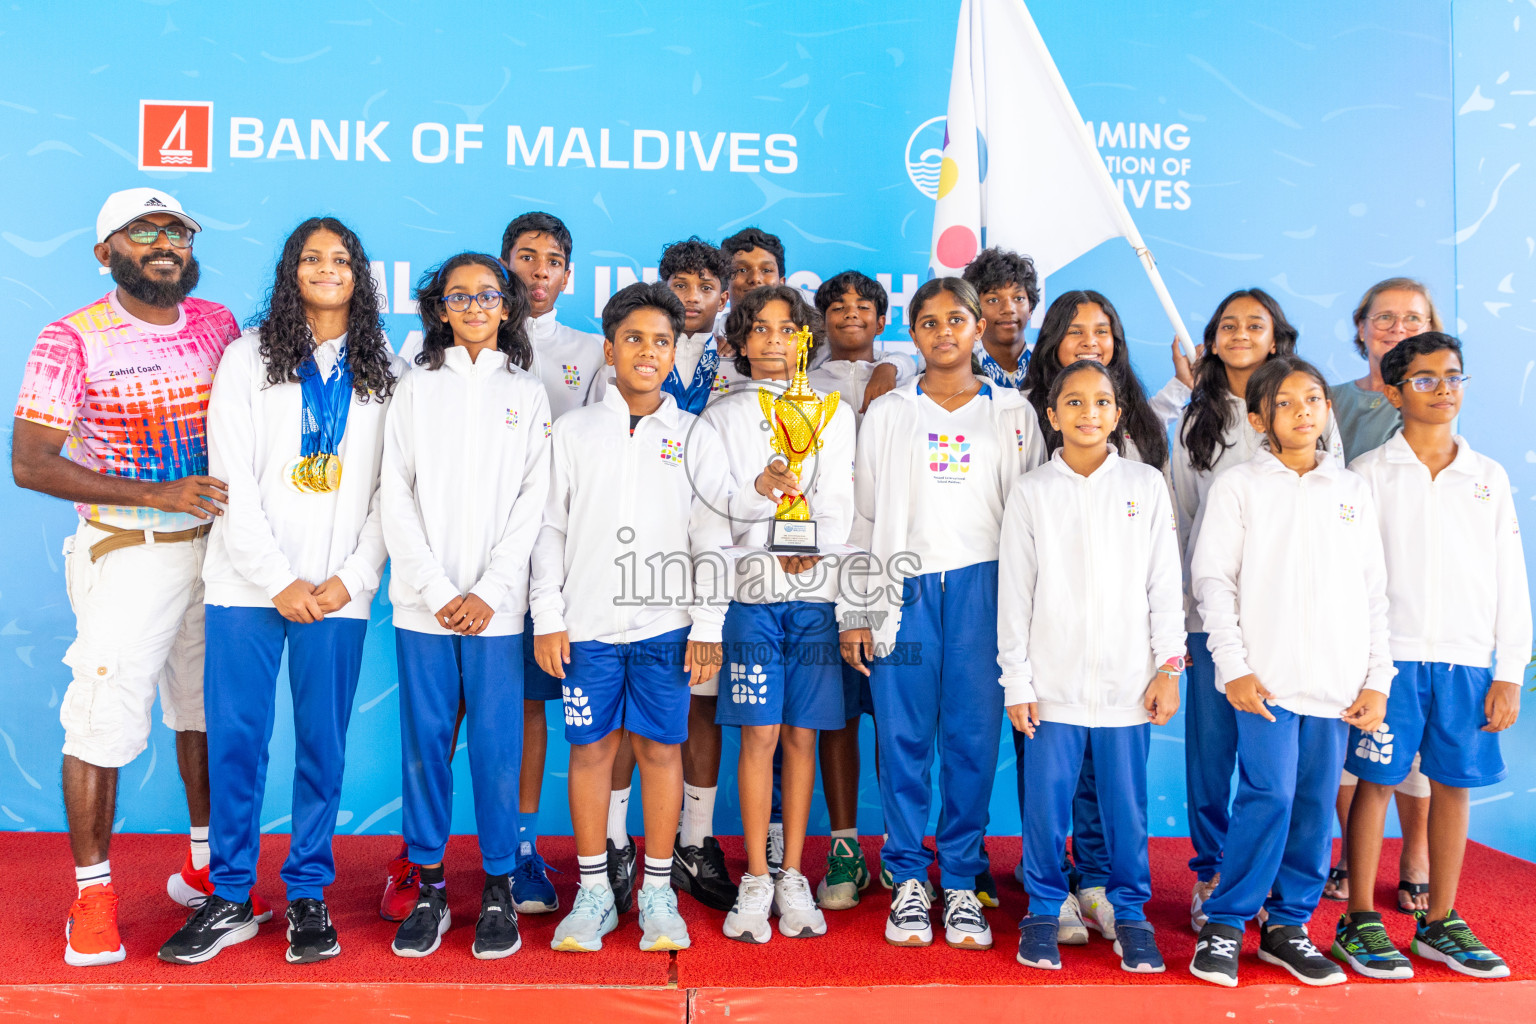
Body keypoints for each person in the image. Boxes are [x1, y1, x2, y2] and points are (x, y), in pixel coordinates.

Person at [158, 217, 402, 966]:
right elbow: (229, 482)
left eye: (341, 258)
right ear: (290, 271)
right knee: (237, 745)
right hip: (246, 587)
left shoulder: (384, 367)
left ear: (359, 274)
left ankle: (306, 894)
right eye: (311, 258)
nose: (326, 269)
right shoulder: (246, 358)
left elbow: (392, 490)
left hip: (338, 594)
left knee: (322, 748)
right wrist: (279, 581)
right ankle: (231, 894)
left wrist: (351, 578)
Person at [12, 188, 240, 966]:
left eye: (176, 231)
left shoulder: (216, 324)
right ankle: (94, 893)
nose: (164, 243)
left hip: (219, 551)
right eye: (143, 232)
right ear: (106, 251)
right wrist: (158, 494)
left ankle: (206, 866)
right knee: (103, 716)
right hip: (128, 550)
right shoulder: (69, 338)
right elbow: (31, 463)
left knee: (205, 711)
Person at [839, 278, 1045, 950]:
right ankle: (906, 880)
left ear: (978, 326)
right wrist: (856, 609)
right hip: (905, 592)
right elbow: (864, 514)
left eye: (957, 319)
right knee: (900, 739)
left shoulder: (1014, 413)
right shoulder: (892, 412)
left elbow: (1038, 520)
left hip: (987, 592)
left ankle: (958, 881)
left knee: (971, 743)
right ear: (915, 332)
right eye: (929, 322)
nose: (944, 332)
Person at [532, 282, 732, 953]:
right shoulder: (573, 431)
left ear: (675, 353)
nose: (648, 352)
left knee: (658, 750)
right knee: (590, 751)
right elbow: (550, 528)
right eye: (635, 338)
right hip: (585, 626)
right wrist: (548, 615)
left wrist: (707, 626)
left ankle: (655, 893)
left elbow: (712, 536)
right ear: (610, 347)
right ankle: (593, 892)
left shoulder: (693, 435)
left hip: (665, 628)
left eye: (662, 342)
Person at [1188, 355, 1393, 989]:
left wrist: (1376, 679)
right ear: (1259, 419)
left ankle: (1288, 927)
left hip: (1335, 687)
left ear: (1327, 410)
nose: (1302, 410)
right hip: (1266, 683)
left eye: (1312, 398)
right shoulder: (1240, 487)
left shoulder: (1352, 491)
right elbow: (1212, 583)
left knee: (1312, 803)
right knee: (1267, 794)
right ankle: (1225, 923)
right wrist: (1235, 668)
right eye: (1284, 403)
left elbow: (1374, 592)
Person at [1333, 332, 1528, 981]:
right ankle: (1359, 917)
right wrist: (1365, 667)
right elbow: (1356, 580)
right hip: (1395, 662)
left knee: (1453, 786)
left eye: (1453, 376)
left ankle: (1439, 921)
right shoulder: (1368, 476)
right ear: (1394, 391)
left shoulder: (1488, 478)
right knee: (1377, 782)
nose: (1444, 389)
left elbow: (1511, 579)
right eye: (1425, 379)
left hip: (1469, 663)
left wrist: (1508, 672)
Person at [380, 254, 552, 959]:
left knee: (495, 749)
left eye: (489, 295)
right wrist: (439, 590)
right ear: (441, 309)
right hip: (424, 609)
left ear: (507, 308)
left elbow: (532, 501)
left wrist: (489, 591)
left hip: (497, 610)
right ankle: (428, 886)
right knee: (424, 748)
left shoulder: (530, 392)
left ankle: (498, 887)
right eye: (461, 296)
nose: (476, 306)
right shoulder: (414, 387)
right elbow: (394, 492)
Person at [1002, 359, 1184, 974]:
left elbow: (1165, 583)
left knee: (1124, 808)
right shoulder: (1032, 492)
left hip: (1128, 687)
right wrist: (1018, 681)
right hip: (1051, 688)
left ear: (1118, 413)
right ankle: (1045, 907)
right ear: (1051, 416)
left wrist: (1169, 666)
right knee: (1046, 809)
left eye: (1101, 401)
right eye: (1073, 403)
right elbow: (1016, 594)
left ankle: (1130, 914)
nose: (1088, 413)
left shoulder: (1144, 485)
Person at [1170, 289, 1342, 931]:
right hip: (1213, 622)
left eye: (1256, 324)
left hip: (1292, 627)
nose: (1242, 333)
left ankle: (1278, 899)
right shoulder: (1195, 421)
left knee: (1286, 774)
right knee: (1213, 758)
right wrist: (1197, 622)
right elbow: (1185, 522)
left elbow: (1331, 520)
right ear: (1211, 340)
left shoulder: (1313, 412)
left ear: (1278, 338)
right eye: (1229, 325)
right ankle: (1213, 872)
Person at [703, 284, 856, 942]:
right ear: (738, 342)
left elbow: (843, 501)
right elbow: (714, 510)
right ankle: (757, 878)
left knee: (802, 737)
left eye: (787, 329)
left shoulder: (833, 410)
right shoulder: (721, 417)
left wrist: (813, 547)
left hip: (815, 596)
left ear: (805, 338)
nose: (774, 340)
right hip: (752, 596)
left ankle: (794, 873)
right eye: (759, 329)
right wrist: (764, 498)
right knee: (759, 737)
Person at [1323, 277, 1443, 911]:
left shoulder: (1433, 398)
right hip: (1348, 588)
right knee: (1354, 733)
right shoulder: (1332, 401)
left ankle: (1416, 852)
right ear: (1362, 328)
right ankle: (1350, 851)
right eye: (1385, 318)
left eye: (1412, 318)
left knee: (1415, 741)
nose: (1398, 328)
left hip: (1416, 592)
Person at [660, 236, 734, 415]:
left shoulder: (735, 363)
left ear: (722, 301)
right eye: (680, 285)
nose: (692, 297)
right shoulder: (641, 356)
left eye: (706, 288)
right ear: (663, 293)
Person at [961, 247, 1040, 389]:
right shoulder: (960, 375)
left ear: (1030, 308)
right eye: (993, 300)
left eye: (1018, 298)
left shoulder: (1047, 373)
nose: (1008, 309)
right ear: (973, 311)